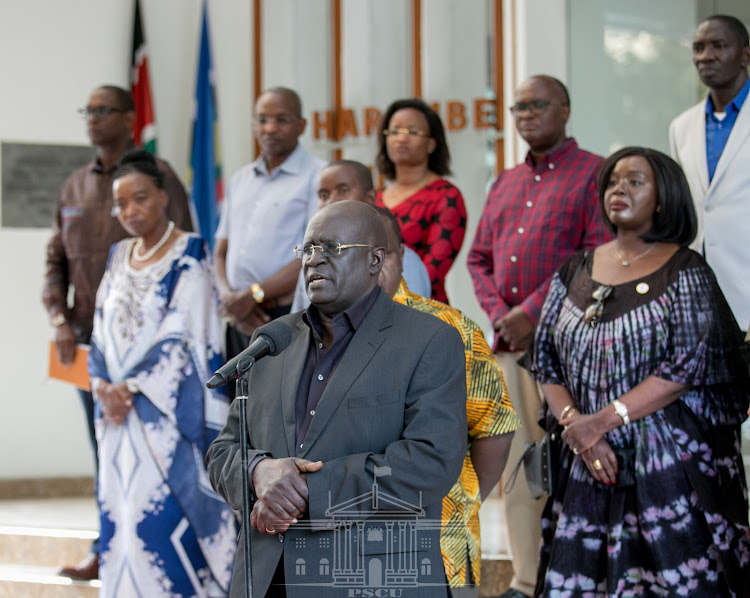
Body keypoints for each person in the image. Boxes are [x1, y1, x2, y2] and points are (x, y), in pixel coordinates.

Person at [206, 200, 467, 598]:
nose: (315, 260)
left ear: (376, 260)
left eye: (332, 248)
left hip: (370, 576)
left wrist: (305, 491)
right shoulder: (272, 340)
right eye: (308, 249)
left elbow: (431, 461)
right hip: (266, 575)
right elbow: (224, 451)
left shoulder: (428, 340)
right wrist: (259, 473)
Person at [528, 146, 750, 596]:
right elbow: (544, 359)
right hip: (587, 461)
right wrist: (577, 427)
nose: (619, 189)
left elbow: (686, 365)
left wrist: (602, 422)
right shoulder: (576, 268)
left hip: (669, 467)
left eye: (634, 181)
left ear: (663, 197)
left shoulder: (685, 270)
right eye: (612, 181)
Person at [467, 75, 611, 598]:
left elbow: (596, 257)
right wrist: (502, 314)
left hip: (571, 351)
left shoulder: (595, 173)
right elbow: (478, 257)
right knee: (516, 470)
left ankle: (578, 578)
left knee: (571, 466)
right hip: (511, 350)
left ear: (565, 109)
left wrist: (532, 310)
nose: (526, 115)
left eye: (537, 105)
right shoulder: (504, 182)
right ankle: (528, 583)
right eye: (518, 107)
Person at [42, 84, 193, 580]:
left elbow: (184, 252)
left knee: (154, 448)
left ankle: (158, 544)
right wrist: (60, 320)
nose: (93, 117)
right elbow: (55, 260)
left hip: (150, 353)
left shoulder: (158, 175)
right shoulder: (73, 186)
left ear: (130, 117)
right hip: (89, 345)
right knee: (102, 445)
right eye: (88, 109)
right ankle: (105, 545)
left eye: (103, 109)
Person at [89, 150, 236, 597]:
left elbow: (186, 335)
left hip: (168, 420)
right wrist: (100, 383)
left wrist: (130, 386)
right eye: (121, 203)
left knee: (162, 517)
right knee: (124, 514)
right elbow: (99, 328)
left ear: (163, 198)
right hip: (118, 419)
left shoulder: (190, 254)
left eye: (140, 199)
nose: (130, 211)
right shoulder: (117, 255)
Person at [375, 206, 519, 597]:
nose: (366, 268)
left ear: (401, 256)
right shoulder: (302, 340)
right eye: (345, 253)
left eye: (380, 254)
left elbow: (493, 429)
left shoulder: (454, 330)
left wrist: (461, 501)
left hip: (440, 547)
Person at [215, 87, 325, 366]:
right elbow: (221, 251)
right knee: (239, 405)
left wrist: (254, 295)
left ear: (301, 125)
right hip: (238, 317)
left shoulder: (319, 176)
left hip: (284, 314)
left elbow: (313, 253)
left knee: (282, 404)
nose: (271, 128)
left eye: (282, 119)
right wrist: (232, 300)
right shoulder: (241, 178)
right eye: (262, 120)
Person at [669, 14, 750, 332]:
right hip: (699, 297)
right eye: (698, 47)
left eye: (719, 46)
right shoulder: (681, 126)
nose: (705, 56)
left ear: (746, 55)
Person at [290, 159, 431, 311]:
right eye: (324, 195)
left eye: (343, 190)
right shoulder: (313, 259)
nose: (331, 201)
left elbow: (411, 320)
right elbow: (299, 324)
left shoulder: (398, 258)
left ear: (370, 198)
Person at [375, 98, 466, 304]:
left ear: (432, 144)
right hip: (372, 310)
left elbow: (431, 272)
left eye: (413, 132)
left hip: (423, 309)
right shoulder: (375, 198)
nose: (402, 138)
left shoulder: (446, 196)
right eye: (395, 131)